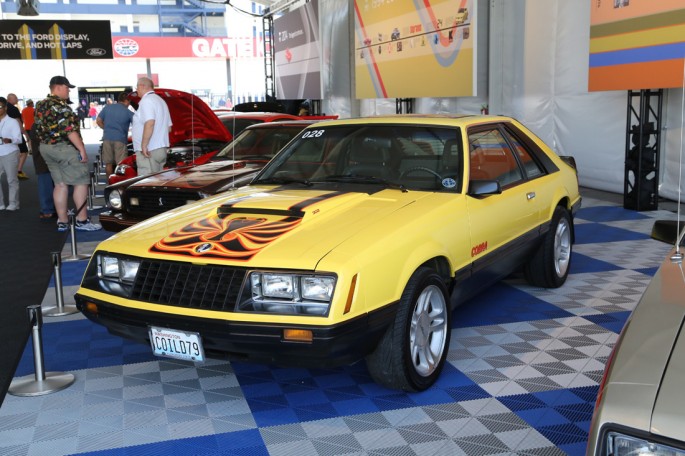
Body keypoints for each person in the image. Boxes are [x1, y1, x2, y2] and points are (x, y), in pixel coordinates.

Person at [34, 75, 101, 232]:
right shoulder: (61, 107)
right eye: (67, 88)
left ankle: (62, 221)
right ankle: (82, 220)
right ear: (58, 87)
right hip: (64, 148)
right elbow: (69, 130)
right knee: (81, 182)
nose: (69, 91)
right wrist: (82, 150)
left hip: (45, 148)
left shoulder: (40, 104)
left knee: (60, 184)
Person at [22, 99, 56, 218]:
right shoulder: (40, 125)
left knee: (49, 184)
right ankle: (47, 210)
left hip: (43, 159)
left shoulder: (35, 122)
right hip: (43, 160)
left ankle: (49, 209)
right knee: (46, 184)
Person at [131, 77, 172, 176]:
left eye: (137, 87)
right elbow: (169, 128)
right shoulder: (161, 101)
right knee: (159, 181)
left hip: (149, 150)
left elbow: (150, 122)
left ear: (142, 86)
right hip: (161, 149)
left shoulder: (146, 101)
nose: (136, 90)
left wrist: (144, 145)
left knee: (147, 181)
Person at [96, 92, 133, 177]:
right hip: (120, 139)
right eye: (129, 102)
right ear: (127, 101)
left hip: (107, 138)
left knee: (108, 163)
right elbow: (138, 123)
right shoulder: (127, 112)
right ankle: (118, 185)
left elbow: (98, 121)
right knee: (121, 164)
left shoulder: (107, 108)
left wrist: (106, 129)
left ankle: (110, 183)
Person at [0, 96, 22, 211]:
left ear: (5, 108)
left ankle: (13, 203)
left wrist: (10, 140)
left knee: (11, 179)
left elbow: (19, 139)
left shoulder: (12, 122)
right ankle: (1, 203)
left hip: (10, 152)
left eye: (0, 107)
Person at [6, 93, 31, 179]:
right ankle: (18, 171)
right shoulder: (13, 109)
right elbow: (18, 122)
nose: (17, 99)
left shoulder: (4, 109)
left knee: (11, 152)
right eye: (15, 98)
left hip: (5, 134)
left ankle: (11, 170)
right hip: (16, 134)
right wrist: (25, 134)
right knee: (24, 151)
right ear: (9, 99)